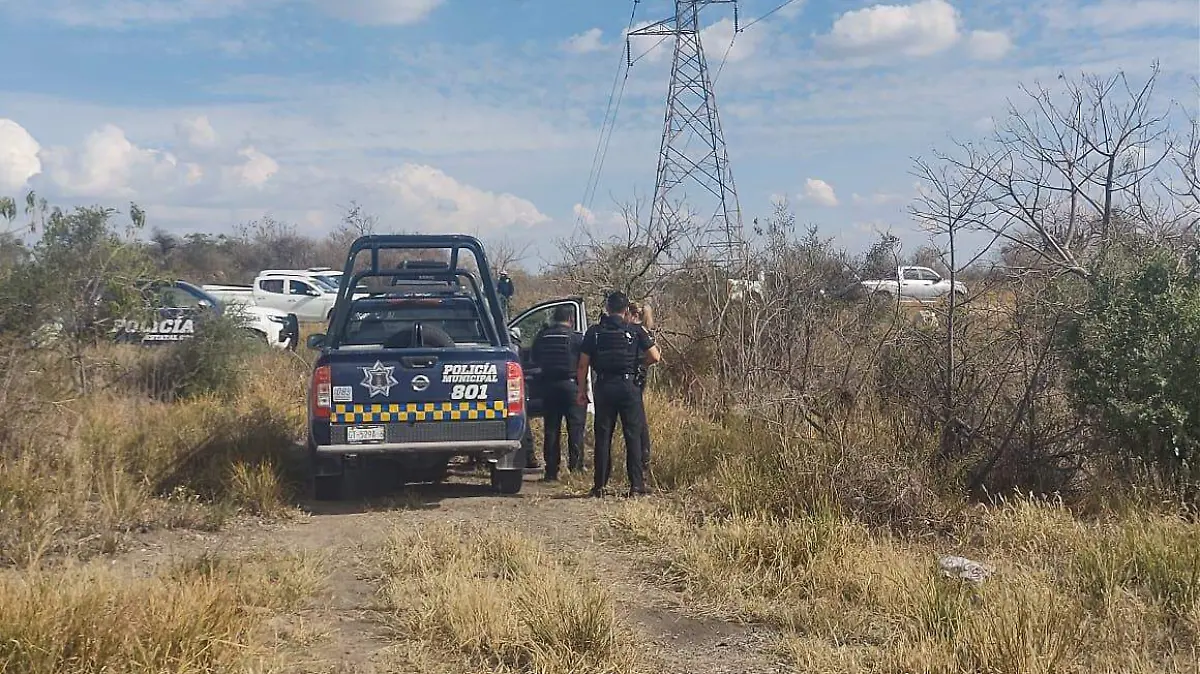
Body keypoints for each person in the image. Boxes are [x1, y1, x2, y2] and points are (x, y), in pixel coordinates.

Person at [577, 291, 661, 497]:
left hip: (604, 386)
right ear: (626, 311)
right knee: (633, 435)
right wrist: (638, 365)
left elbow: (582, 365)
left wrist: (581, 390)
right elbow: (655, 356)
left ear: (607, 308)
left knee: (603, 436)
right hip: (629, 386)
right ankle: (636, 486)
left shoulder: (594, 332)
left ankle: (599, 486)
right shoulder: (635, 330)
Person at [531, 305, 586, 480]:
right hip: (571, 387)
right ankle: (576, 468)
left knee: (551, 429)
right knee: (575, 429)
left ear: (554, 319)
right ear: (571, 319)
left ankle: (551, 471)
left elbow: (534, 358)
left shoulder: (543, 336)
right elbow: (584, 361)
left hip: (549, 386)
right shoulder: (576, 338)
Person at [629, 301, 655, 475]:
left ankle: (643, 458)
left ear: (633, 315)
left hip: (635, 378)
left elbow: (654, 356)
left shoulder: (637, 332)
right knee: (639, 416)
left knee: (638, 420)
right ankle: (644, 458)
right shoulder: (644, 331)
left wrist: (639, 365)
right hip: (639, 377)